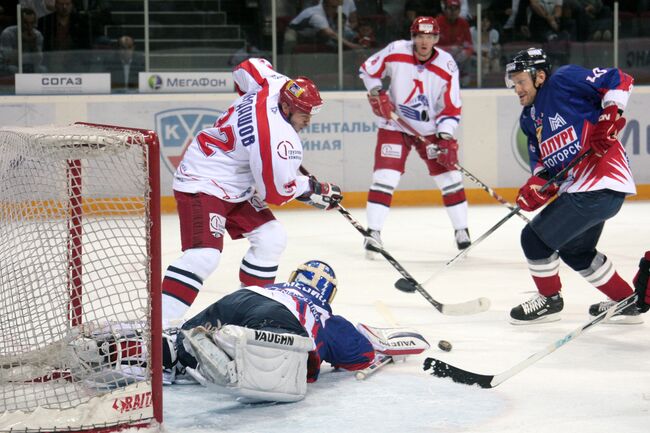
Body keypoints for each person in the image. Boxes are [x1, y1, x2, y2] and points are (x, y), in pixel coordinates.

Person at [161, 58, 343, 329]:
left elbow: (245, 68)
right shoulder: (279, 137)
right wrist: (314, 189)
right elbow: (277, 193)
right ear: (285, 106)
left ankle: (249, 312)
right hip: (204, 179)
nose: (308, 120)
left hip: (236, 183)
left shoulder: (273, 84)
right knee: (204, 256)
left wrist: (248, 104)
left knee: (271, 238)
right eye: (303, 114)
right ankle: (159, 326)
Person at [505, 47, 643, 325]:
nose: (517, 88)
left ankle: (549, 300)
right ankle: (627, 301)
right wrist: (537, 186)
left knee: (533, 239)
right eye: (514, 83)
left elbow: (620, 79)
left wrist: (608, 116)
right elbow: (544, 166)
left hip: (600, 182)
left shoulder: (563, 80)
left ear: (540, 76)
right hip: (586, 190)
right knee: (575, 251)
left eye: (521, 81)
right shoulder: (528, 119)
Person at [163, 260, 376, 402]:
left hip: (242, 297)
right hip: (282, 316)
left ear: (295, 277)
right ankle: (232, 349)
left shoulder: (278, 286)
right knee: (275, 368)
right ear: (330, 294)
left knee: (186, 334)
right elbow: (361, 355)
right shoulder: (325, 317)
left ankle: (176, 347)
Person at [358, 15, 470, 258]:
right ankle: (373, 232)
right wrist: (376, 91)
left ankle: (462, 231)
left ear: (436, 39)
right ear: (413, 37)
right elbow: (368, 69)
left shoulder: (447, 65)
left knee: (450, 179)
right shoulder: (396, 50)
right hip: (394, 126)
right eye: (420, 36)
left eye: (429, 37)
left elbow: (451, 107)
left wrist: (444, 136)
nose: (424, 41)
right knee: (384, 178)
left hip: (429, 132)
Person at [284, 0, 362, 53]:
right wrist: (352, 46)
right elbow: (331, 34)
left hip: (311, 35)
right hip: (294, 33)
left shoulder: (329, 14)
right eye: (333, 7)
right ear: (326, 5)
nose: (336, 10)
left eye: (336, 7)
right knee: (290, 40)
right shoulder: (316, 15)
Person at [437, 0, 474, 87]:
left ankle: (464, 83)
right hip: (441, 57)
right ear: (445, 9)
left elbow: (469, 45)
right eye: (450, 8)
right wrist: (449, 49)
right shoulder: (437, 23)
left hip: (458, 57)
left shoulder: (464, 23)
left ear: (459, 10)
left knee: (468, 57)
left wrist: (465, 52)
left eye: (456, 9)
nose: (453, 12)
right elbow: (431, 47)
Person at [0, 7, 46, 73]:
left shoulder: (38, 35)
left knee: (42, 69)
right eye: (26, 23)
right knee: (13, 69)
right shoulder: (8, 33)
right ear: (19, 22)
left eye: (32, 23)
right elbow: (9, 60)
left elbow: (38, 61)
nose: (29, 27)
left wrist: (32, 44)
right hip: (8, 65)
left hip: (29, 65)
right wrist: (22, 41)